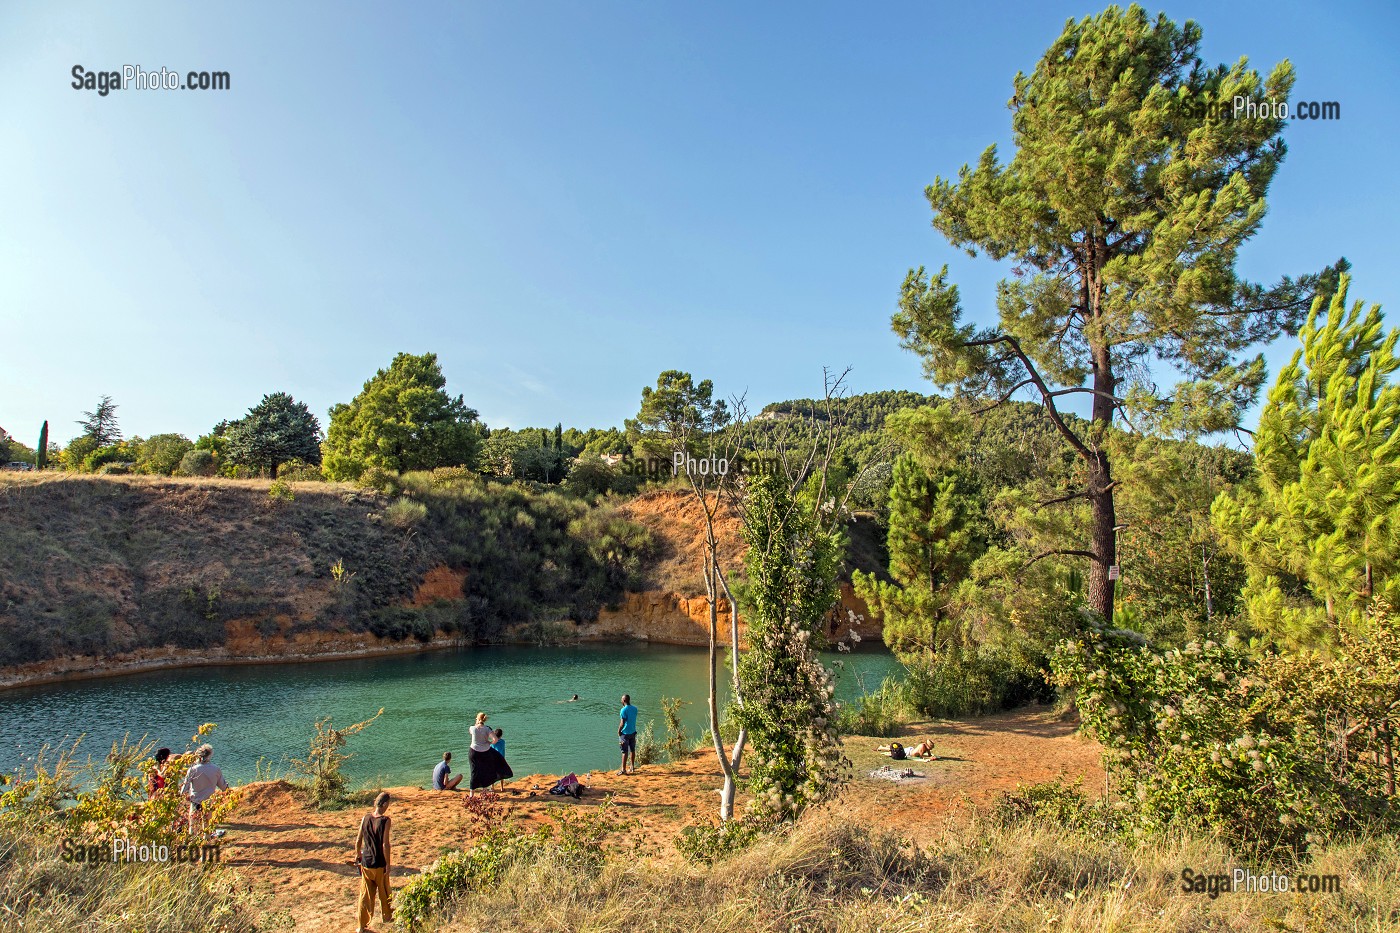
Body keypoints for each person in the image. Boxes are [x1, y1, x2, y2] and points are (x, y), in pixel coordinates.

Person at [353, 791, 393, 933]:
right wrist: (388, 864)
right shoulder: (385, 821)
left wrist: (358, 856)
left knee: (365, 895)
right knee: (384, 892)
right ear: (385, 804)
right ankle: (388, 918)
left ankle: (361, 925)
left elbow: (358, 840)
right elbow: (385, 845)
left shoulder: (365, 818)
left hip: (366, 863)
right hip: (379, 863)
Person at [179, 744, 229, 837]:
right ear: (209, 755)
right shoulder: (215, 769)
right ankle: (206, 842)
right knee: (206, 825)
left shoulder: (192, 769)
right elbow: (223, 787)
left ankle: (192, 843)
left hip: (195, 801)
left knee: (192, 826)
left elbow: (185, 787)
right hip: (209, 800)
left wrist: (182, 796)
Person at [468, 712, 513, 796]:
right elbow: (495, 739)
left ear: (478, 719)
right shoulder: (487, 729)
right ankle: (484, 791)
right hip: (485, 752)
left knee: (474, 771)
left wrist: (476, 723)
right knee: (485, 770)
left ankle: (471, 794)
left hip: (474, 751)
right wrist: (489, 742)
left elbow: (471, 732)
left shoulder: (472, 728)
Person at [617, 694, 638, 775]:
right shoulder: (635, 709)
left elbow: (622, 723)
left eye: (621, 699)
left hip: (625, 733)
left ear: (624, 700)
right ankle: (632, 767)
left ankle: (623, 770)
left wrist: (619, 731)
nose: (621, 701)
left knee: (624, 751)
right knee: (632, 750)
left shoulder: (623, 710)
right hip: (633, 732)